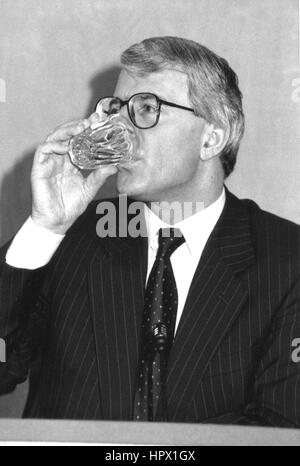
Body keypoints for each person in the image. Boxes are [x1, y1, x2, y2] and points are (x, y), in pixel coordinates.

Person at [0, 36, 299, 426]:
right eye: (116, 109)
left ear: (213, 136)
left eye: (145, 108)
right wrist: (46, 227)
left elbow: (279, 425)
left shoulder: (288, 261)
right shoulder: (72, 238)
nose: (118, 130)